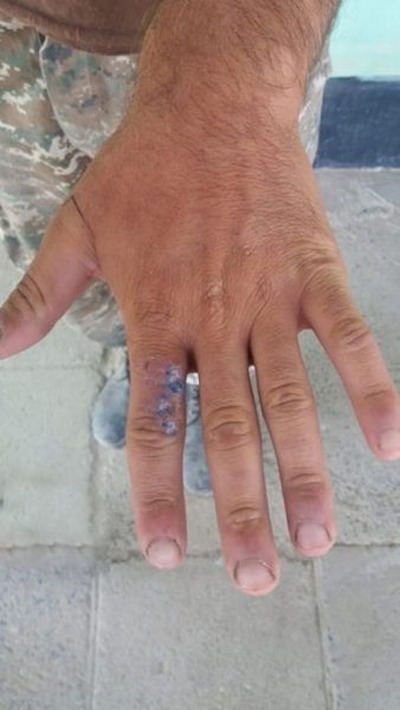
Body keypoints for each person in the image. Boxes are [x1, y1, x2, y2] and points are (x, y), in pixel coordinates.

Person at [0, 0, 399, 598]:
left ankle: (198, 383)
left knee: (228, 283)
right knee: (69, 263)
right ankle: (139, 361)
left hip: (208, 37)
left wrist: (229, 92)